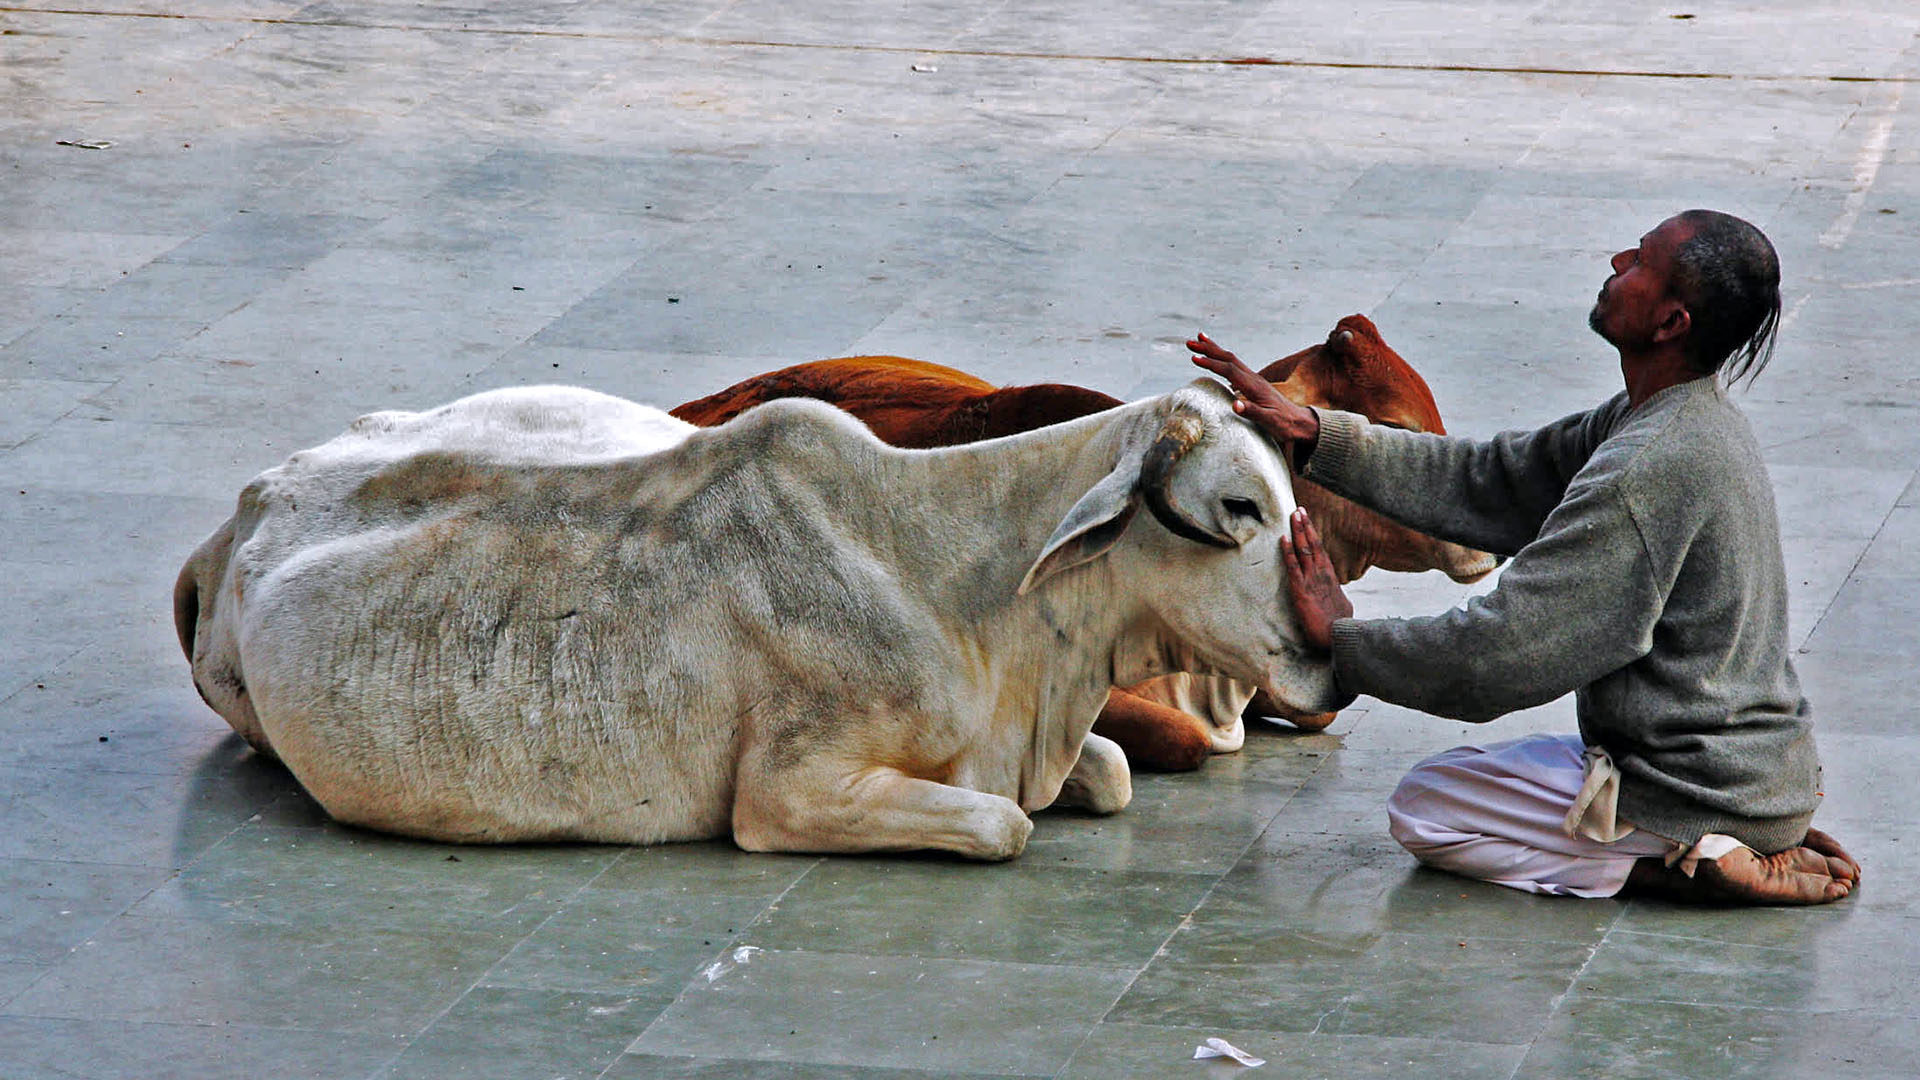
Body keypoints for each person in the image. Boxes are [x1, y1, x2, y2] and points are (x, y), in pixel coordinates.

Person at [1188, 210, 1861, 905]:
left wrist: (1342, 641)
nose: (1616, 258)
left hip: (1687, 783)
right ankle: (1746, 833)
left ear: (1670, 324)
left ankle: (1686, 861)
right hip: (1739, 769)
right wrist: (1317, 435)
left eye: (1641, 263)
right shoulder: (1675, 414)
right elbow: (1497, 479)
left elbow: (1500, 654)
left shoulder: (1648, 465)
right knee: (1483, 774)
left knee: (1427, 805)